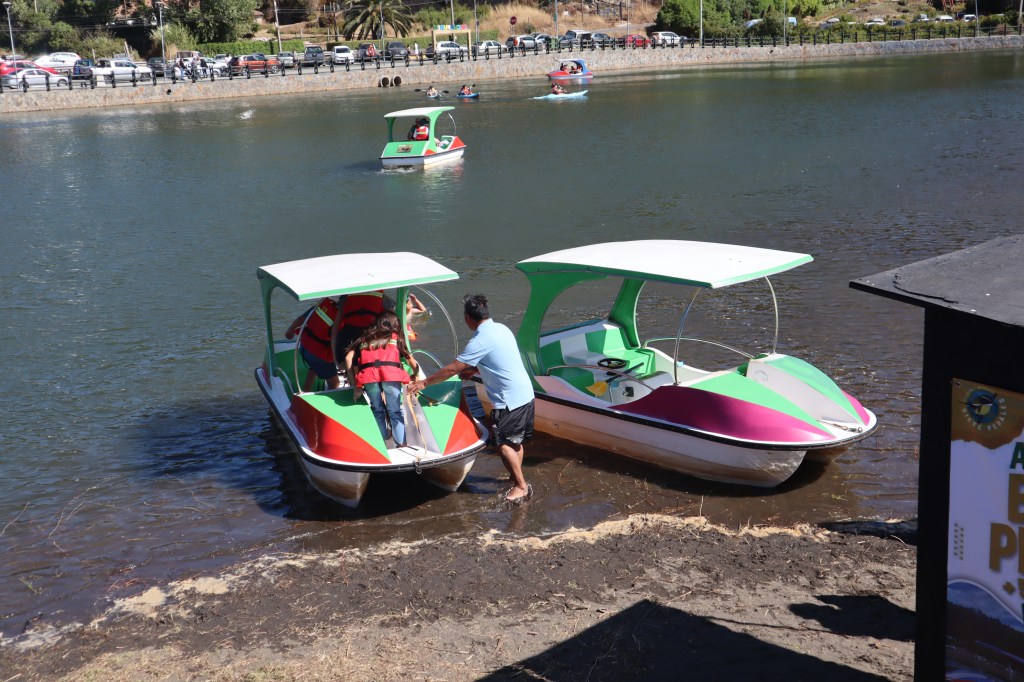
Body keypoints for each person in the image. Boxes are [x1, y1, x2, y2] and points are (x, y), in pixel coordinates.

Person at [407, 294, 535, 505]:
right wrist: (474, 369)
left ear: (468, 318)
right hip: (525, 395)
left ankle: (521, 486)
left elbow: (452, 369)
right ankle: (515, 478)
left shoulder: (479, 341)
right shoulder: (501, 328)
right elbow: (498, 357)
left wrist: (424, 383)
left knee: (502, 444)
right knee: (515, 441)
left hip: (508, 400)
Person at [346, 311, 419, 448]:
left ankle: (383, 443)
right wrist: (416, 374)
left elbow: (348, 358)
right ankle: (401, 444)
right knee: (395, 411)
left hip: (369, 378)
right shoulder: (395, 337)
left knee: (377, 410)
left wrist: (355, 385)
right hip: (391, 376)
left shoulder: (364, 338)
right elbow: (410, 360)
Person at [285, 297, 342, 391]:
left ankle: (305, 391)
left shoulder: (323, 304)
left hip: (304, 346)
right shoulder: (341, 318)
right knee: (334, 383)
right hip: (318, 354)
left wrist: (290, 331)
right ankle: (329, 398)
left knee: (314, 368)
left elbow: (301, 319)